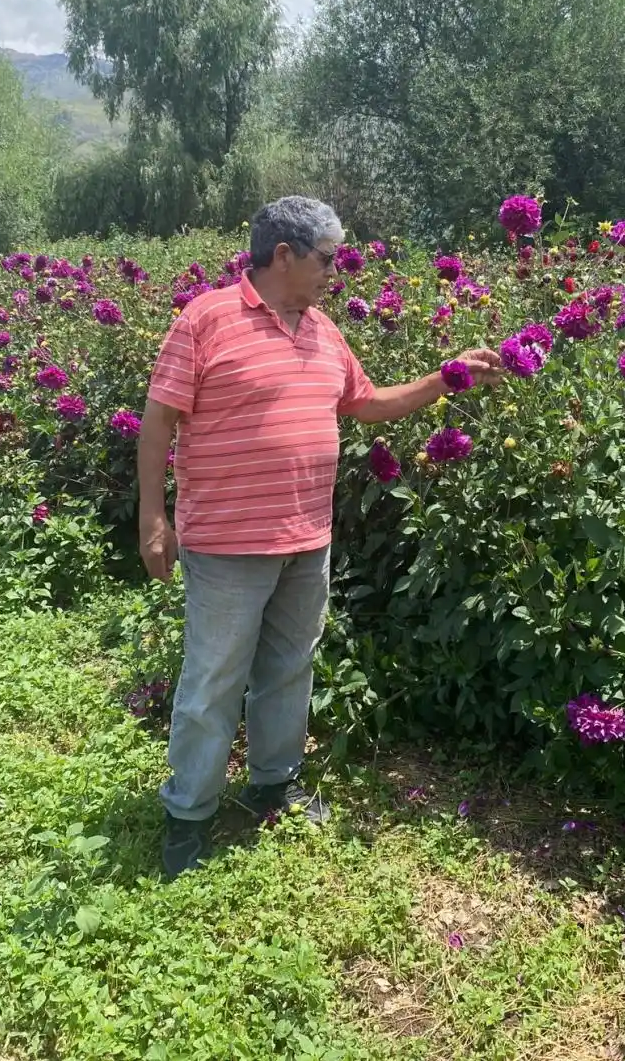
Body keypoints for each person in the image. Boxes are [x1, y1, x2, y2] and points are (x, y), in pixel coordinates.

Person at [138, 196, 501, 878]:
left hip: (306, 536)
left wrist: (446, 376)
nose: (338, 270)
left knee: (288, 667)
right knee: (213, 679)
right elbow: (158, 422)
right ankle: (188, 814)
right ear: (284, 255)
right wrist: (153, 517)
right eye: (328, 258)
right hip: (226, 543)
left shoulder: (324, 330)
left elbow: (367, 403)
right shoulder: (206, 319)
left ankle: (272, 784)